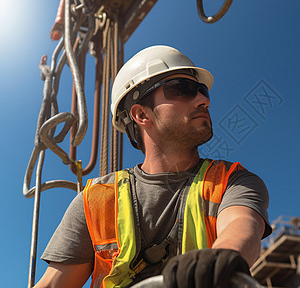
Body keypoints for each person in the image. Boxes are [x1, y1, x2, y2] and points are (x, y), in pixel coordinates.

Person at [35, 45, 271, 288]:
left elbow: (241, 227)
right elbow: (53, 284)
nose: (203, 100)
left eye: (202, 91)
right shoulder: (95, 202)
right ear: (141, 115)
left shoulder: (232, 181)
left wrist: (218, 259)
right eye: (183, 89)